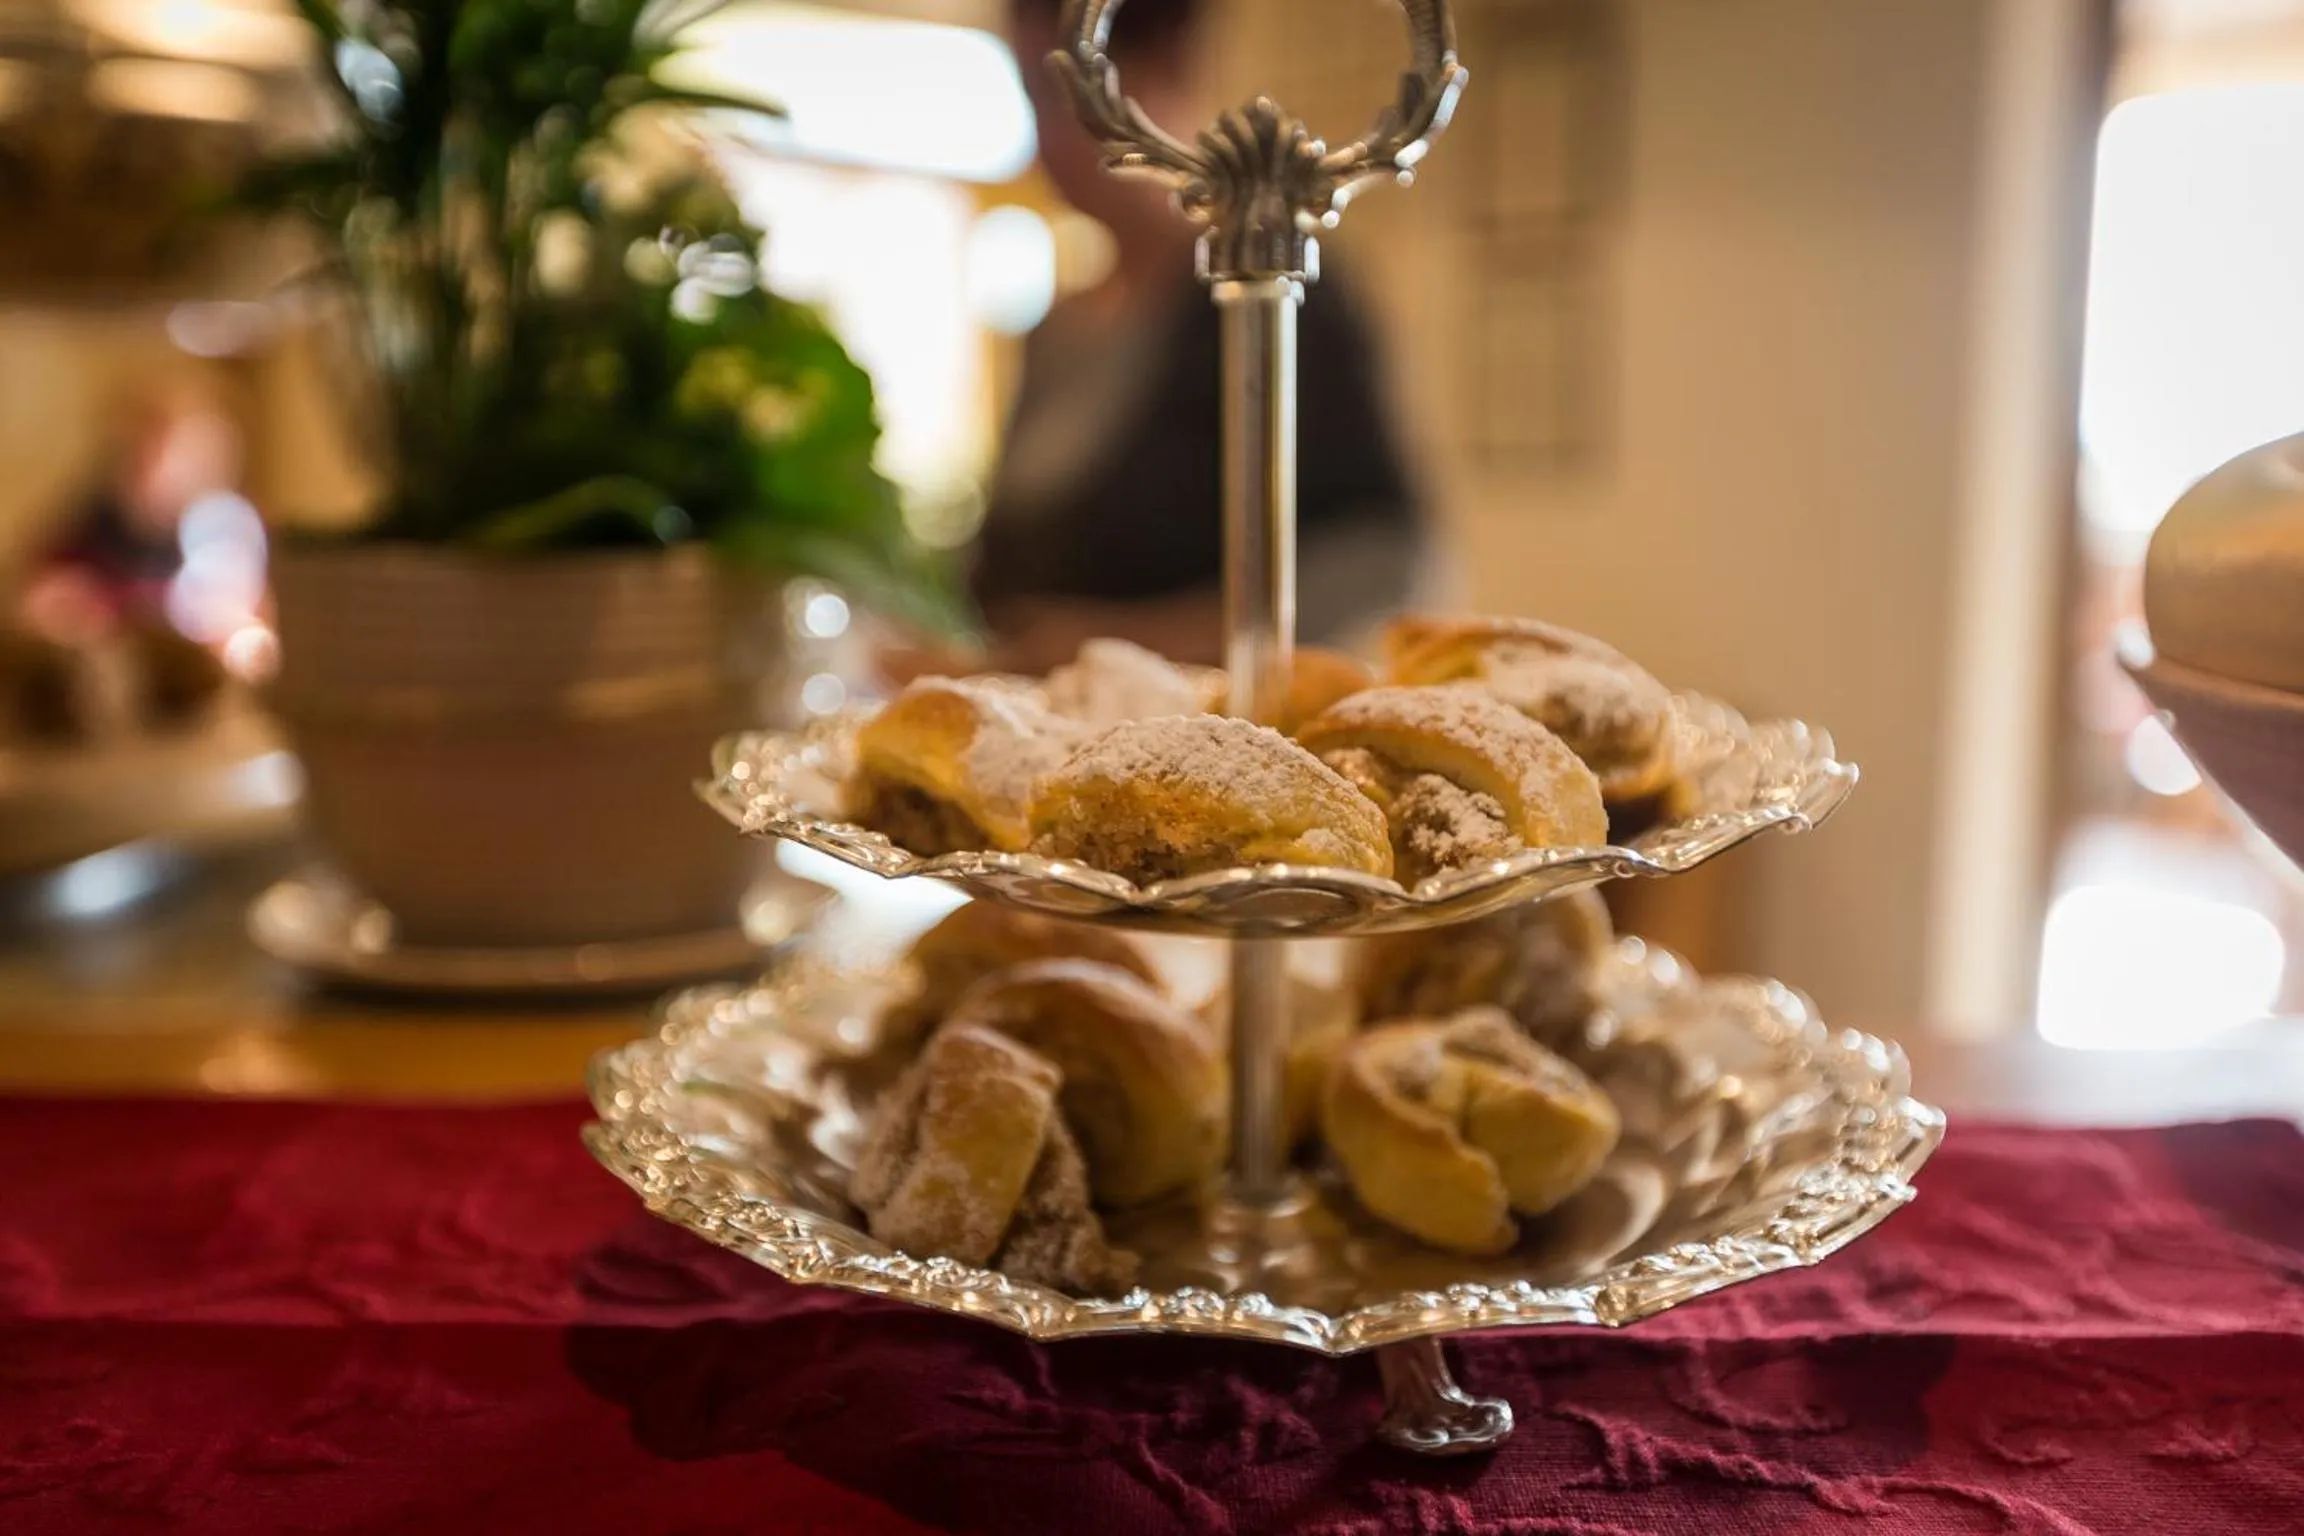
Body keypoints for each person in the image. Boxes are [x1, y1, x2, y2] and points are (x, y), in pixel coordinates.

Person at [903, 0, 1430, 678]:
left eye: (1061, 101)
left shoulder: (1273, 299)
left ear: (1165, 71)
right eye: (1033, 102)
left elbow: (1383, 561)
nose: (1044, 146)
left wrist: (1130, 646)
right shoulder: (1056, 326)